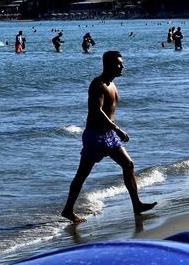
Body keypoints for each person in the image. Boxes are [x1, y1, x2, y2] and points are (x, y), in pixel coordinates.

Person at [61, 51, 157, 223]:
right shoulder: (98, 84)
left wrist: (114, 130)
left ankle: (136, 204)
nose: (122, 66)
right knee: (82, 174)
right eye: (119, 64)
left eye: (122, 63)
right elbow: (96, 112)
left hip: (110, 134)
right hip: (95, 136)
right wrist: (118, 129)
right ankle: (68, 210)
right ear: (108, 65)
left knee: (128, 165)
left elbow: (109, 111)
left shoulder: (112, 84)